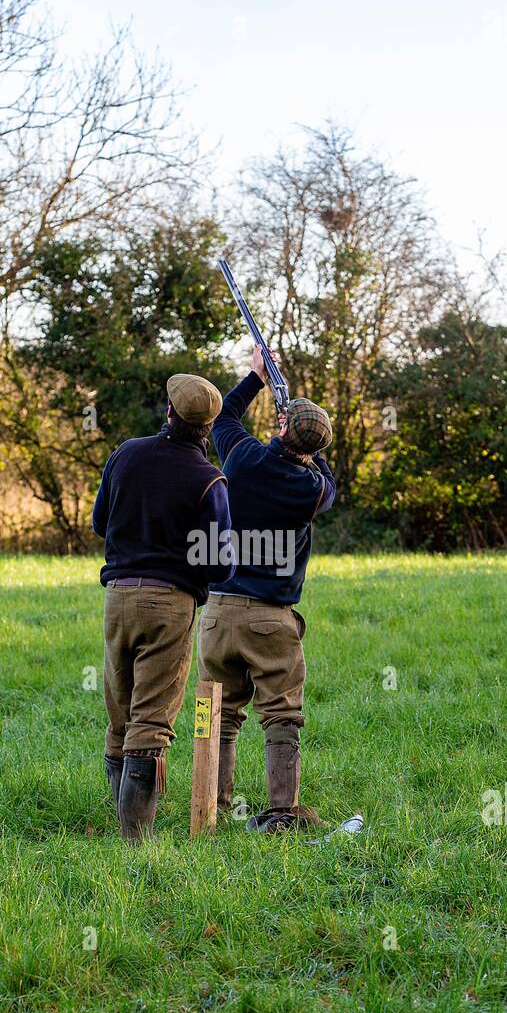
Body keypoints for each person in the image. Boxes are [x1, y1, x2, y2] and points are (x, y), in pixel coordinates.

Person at [197, 345, 336, 831]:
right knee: (282, 716)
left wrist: (257, 376)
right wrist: (304, 436)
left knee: (216, 714)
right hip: (270, 618)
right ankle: (282, 813)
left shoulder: (241, 459)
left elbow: (224, 415)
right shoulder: (312, 489)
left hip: (216, 611)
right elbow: (325, 477)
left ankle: (210, 809)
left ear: (279, 429)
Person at [93, 374, 234, 840]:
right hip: (170, 605)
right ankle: (137, 842)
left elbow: (99, 522)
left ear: (169, 413)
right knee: (151, 719)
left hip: (117, 597)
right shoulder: (208, 480)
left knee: (122, 711)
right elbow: (219, 565)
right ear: (208, 427)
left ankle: (124, 829)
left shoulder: (125, 453)